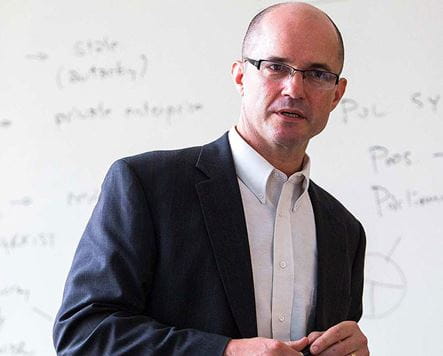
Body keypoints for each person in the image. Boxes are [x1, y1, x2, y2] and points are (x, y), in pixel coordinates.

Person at [53, 2, 369, 355]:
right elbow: (84, 336)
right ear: (240, 76)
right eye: (276, 67)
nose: (294, 88)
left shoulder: (345, 232)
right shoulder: (146, 186)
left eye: (317, 73)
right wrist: (225, 352)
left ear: (337, 94)